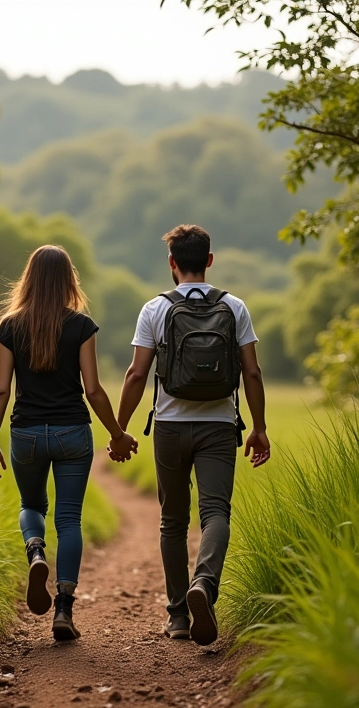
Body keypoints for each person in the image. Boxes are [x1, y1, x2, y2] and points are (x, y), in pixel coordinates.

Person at [114, 224, 270, 646]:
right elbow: (252, 371)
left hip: (168, 426)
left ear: (172, 264)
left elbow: (136, 374)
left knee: (172, 521)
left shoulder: (155, 309)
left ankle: (179, 615)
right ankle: (206, 583)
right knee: (215, 512)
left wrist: (120, 429)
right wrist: (258, 427)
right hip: (220, 424)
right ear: (210, 261)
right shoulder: (234, 306)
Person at [0, 245, 137, 641]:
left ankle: (36, 553)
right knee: (69, 520)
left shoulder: (10, 326)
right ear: (70, 279)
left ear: (28, 277)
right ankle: (64, 611)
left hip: (26, 434)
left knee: (31, 505)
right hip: (72, 434)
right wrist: (118, 435)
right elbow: (94, 390)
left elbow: (1, 391)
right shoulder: (82, 326)